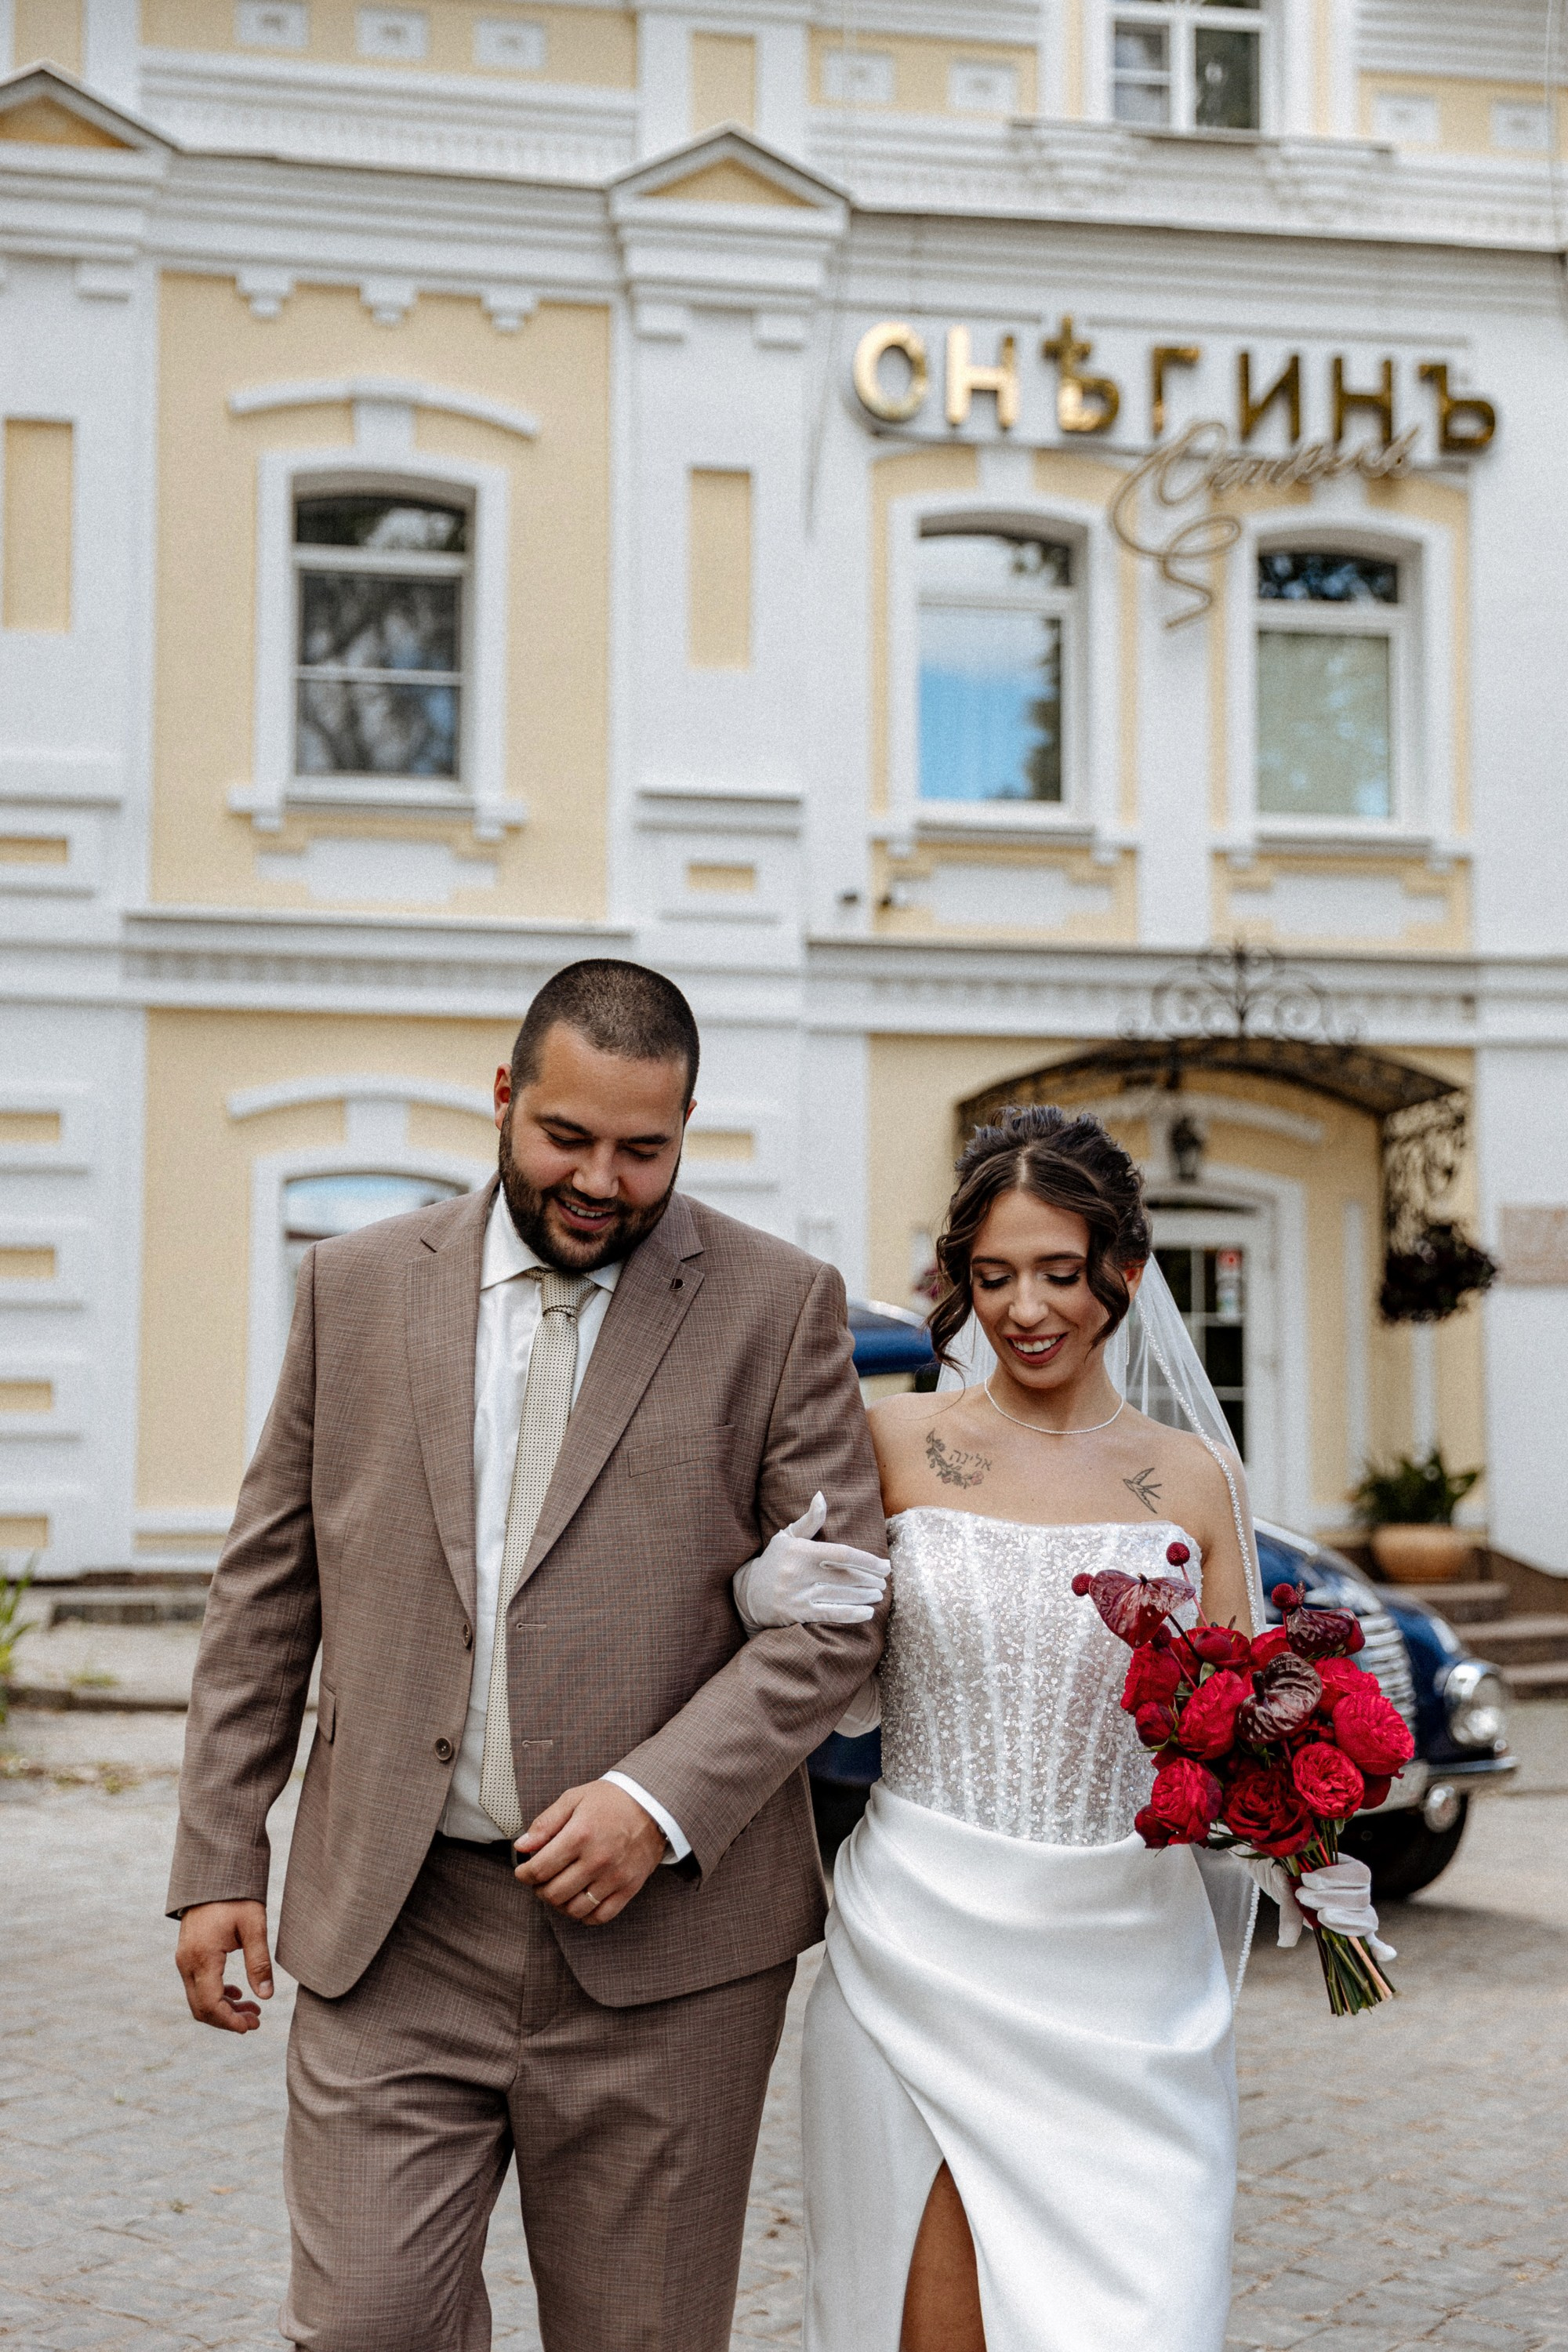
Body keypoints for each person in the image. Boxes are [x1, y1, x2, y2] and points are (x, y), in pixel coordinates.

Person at [167, 957, 891, 2352]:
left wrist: (657, 1801)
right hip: (396, 1929)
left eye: (644, 1150)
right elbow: (267, 1593)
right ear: (505, 1099)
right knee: (366, 2327)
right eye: (568, 1138)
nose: (602, 1182)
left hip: (670, 1959)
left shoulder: (777, 1305)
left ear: (685, 1129)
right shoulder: (357, 1288)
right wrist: (216, 1860)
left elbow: (840, 1608)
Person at [737, 1104, 1264, 2352]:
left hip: (1130, 1977)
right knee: (926, 2327)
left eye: (1060, 1273)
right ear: (958, 1283)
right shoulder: (896, 1442)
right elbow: (813, 1649)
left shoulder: (1192, 1479)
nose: (1026, 1309)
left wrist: (1301, 1812)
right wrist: (764, 1589)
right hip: (918, 1941)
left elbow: (1240, 1711)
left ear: (1122, 1273)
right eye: (994, 1277)